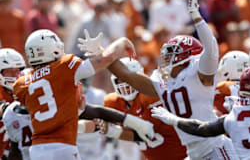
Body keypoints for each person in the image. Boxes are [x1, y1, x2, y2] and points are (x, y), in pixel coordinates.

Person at [82, 0, 238, 159]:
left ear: (189, 57)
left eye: (172, 53)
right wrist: (100, 53)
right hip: (193, 152)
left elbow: (211, 50)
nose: (166, 57)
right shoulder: (163, 83)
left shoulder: (200, 77)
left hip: (215, 148)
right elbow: (125, 75)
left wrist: (197, 17)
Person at [13, 29, 155, 160]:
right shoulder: (64, 66)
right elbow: (105, 59)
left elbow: (50, 112)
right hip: (64, 146)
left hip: (37, 149)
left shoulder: (20, 84)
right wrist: (122, 41)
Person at [101, 57, 187, 160]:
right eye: (120, 79)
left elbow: (145, 132)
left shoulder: (151, 96)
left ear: (139, 77)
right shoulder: (113, 102)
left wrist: (111, 130)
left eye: (128, 78)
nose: (125, 83)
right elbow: (96, 122)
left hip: (184, 155)